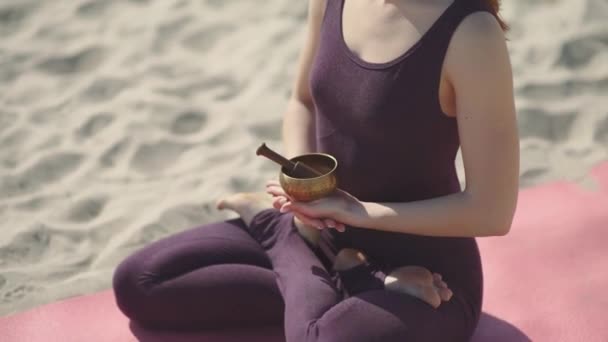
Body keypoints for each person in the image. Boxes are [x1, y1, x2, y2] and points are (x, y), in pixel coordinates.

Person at [112, 0, 519, 340]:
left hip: (430, 279)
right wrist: (306, 196)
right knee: (142, 281)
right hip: (322, 228)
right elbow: (302, 102)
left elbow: (492, 210)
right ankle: (347, 274)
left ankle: (282, 237)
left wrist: (360, 212)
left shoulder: (471, 35)